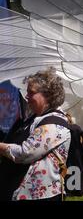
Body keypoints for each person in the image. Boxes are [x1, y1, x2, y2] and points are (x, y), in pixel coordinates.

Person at [0, 67, 71, 201]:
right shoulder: (34, 117)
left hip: (40, 195)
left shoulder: (54, 124)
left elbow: (25, 153)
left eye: (31, 92)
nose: (26, 96)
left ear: (48, 95)